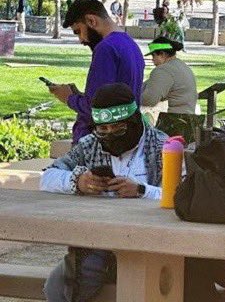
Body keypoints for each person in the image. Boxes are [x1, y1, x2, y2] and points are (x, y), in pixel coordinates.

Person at [40, 83, 168, 302]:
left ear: (134, 121)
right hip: (98, 241)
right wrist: (78, 181)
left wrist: (140, 190)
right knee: (57, 286)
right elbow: (47, 177)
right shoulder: (91, 145)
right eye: (103, 130)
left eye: (118, 130)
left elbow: (178, 196)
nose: (110, 136)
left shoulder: (161, 146)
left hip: (150, 242)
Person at [49, 0, 144, 144]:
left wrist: (68, 97)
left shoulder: (105, 48)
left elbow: (96, 110)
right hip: (123, 137)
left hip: (100, 144)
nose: (81, 40)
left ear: (92, 21)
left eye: (78, 31)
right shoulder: (130, 44)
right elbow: (111, 99)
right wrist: (79, 95)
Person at [141, 36, 197, 114]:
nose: (153, 60)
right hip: (188, 119)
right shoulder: (181, 66)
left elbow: (149, 100)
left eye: (153, 56)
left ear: (162, 54)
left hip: (172, 120)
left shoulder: (163, 70)